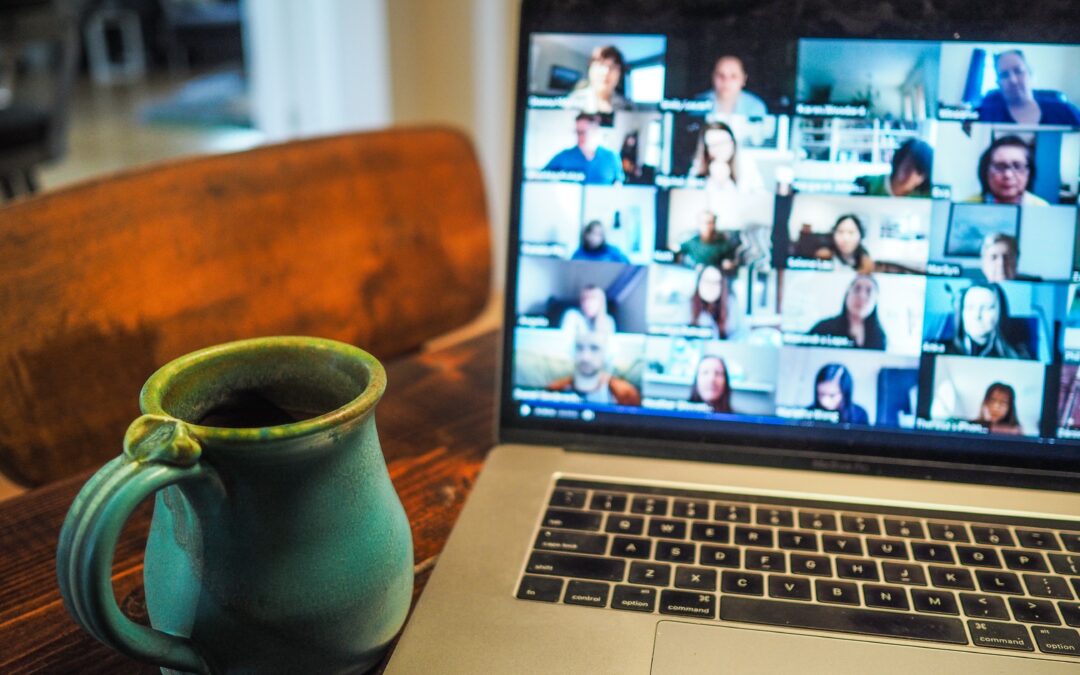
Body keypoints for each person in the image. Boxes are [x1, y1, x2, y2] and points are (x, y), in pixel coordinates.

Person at [976, 50, 1080, 126]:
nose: (1013, 80)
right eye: (1004, 75)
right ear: (998, 83)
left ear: (1030, 74)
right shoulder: (985, 115)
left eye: (1018, 71)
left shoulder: (1064, 111)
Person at [545, 330, 641, 405]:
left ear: (607, 354)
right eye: (579, 348)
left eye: (594, 348)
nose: (585, 357)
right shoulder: (555, 389)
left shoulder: (626, 394)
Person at [945, 283, 1033, 359]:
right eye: (970, 308)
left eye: (986, 308)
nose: (977, 316)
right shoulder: (943, 350)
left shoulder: (1018, 356)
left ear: (1000, 313)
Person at [965, 136, 1048, 206]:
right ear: (986, 171)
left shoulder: (1041, 207)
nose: (1008, 175)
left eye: (1017, 166)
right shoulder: (967, 206)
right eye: (1000, 166)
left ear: (1029, 172)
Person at [809, 275, 887, 350]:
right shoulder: (823, 328)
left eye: (869, 291)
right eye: (857, 289)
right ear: (847, 294)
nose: (862, 296)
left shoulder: (879, 337)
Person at [543, 113, 625, 185]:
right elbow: (542, 178)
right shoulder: (564, 157)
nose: (579, 136)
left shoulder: (611, 157)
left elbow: (618, 184)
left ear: (594, 130)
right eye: (577, 132)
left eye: (582, 132)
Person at [689, 121, 764, 195]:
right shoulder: (698, 166)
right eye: (713, 145)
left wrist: (725, 183)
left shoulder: (747, 164)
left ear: (733, 143)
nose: (720, 149)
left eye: (723, 142)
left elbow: (761, 198)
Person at [854, 139, 934, 198]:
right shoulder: (868, 185)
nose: (911, 175)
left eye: (919, 172)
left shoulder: (925, 198)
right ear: (899, 161)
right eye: (908, 166)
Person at [695, 55, 767, 118]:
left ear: (743, 79)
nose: (726, 81)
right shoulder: (696, 104)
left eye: (733, 76)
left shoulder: (755, 107)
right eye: (720, 75)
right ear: (713, 77)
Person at [566, 45, 631, 114]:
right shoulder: (572, 102)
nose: (606, 72)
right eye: (601, 65)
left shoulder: (628, 107)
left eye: (612, 67)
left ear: (620, 74)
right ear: (590, 70)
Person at [690, 265, 730, 339]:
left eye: (715, 282)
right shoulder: (689, 305)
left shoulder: (730, 306)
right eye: (707, 281)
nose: (710, 286)